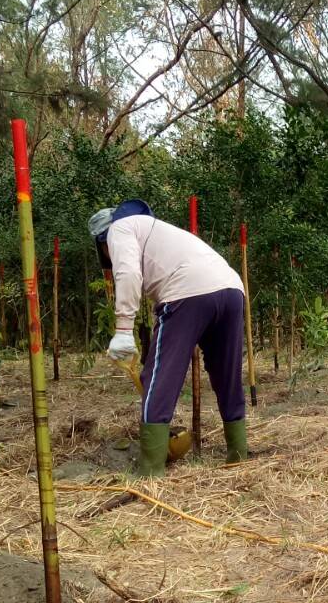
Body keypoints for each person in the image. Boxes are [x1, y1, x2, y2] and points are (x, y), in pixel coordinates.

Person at [89, 200, 247, 475]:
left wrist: (123, 330)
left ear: (102, 241)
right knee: (227, 375)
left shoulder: (118, 229)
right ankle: (238, 456)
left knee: (160, 377)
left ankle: (151, 471)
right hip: (232, 289)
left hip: (187, 292)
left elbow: (128, 273)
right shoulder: (156, 229)